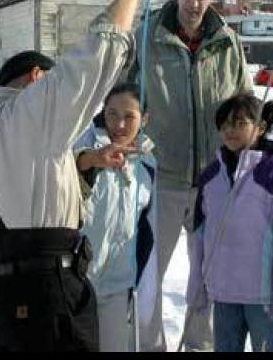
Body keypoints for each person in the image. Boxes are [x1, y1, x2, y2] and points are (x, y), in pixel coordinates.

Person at [0, 0, 161, 352]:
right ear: (37, 80)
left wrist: (86, 163)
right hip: (45, 294)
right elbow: (97, 55)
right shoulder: (31, 114)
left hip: (1, 289)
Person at [132, 0, 252, 351]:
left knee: (208, 277)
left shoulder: (227, 41)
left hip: (213, 181)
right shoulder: (148, 36)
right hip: (162, 178)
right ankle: (150, 347)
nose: (194, 3)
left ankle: (199, 346)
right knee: (148, 276)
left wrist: (251, 138)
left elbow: (244, 101)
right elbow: (122, 94)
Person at [187, 94, 273, 352]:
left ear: (260, 127)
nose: (231, 131)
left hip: (263, 297)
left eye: (240, 123)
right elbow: (199, 236)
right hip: (224, 291)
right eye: (226, 124)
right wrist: (197, 285)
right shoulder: (211, 176)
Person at [73, 83, 158, 352]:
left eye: (129, 116)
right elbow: (64, 173)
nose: (119, 124)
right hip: (79, 279)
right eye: (112, 114)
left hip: (120, 284)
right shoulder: (83, 147)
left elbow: (146, 228)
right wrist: (89, 161)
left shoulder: (147, 164)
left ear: (144, 118)